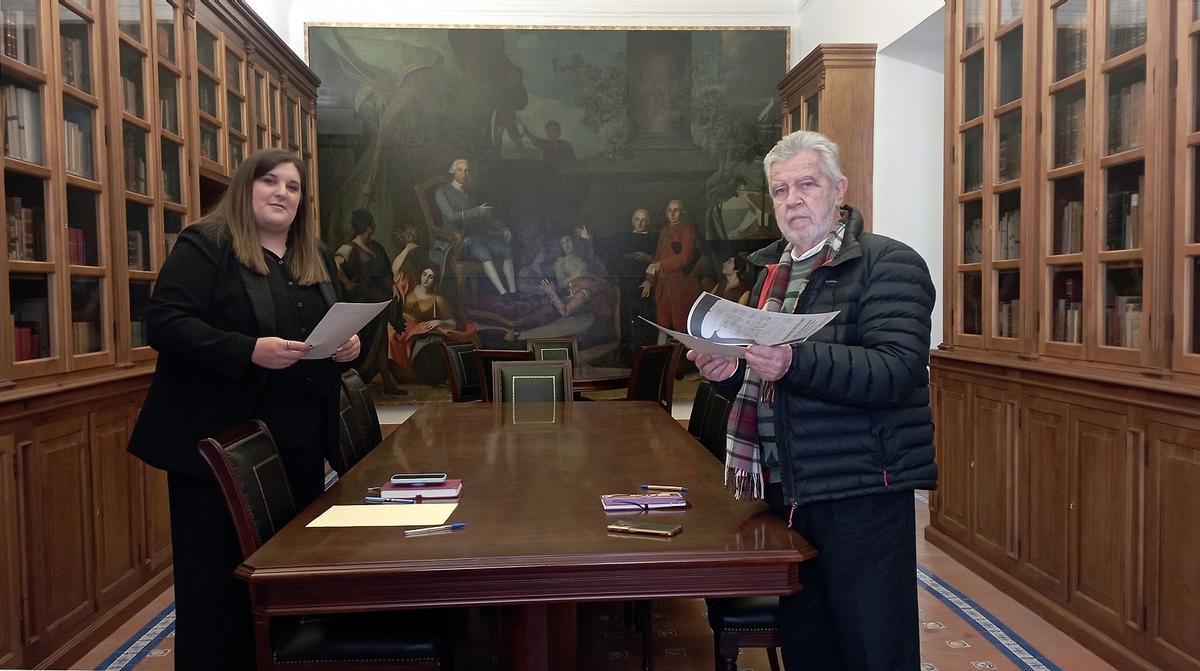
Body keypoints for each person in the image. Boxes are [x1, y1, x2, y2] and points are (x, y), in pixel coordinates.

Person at [688, 130, 936, 670]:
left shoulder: (889, 264)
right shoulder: (771, 273)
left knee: (874, 647)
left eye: (807, 184)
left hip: (861, 491)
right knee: (809, 646)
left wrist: (796, 362)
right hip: (789, 490)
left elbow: (897, 370)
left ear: (838, 189)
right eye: (780, 190)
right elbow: (769, 387)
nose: (793, 199)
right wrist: (728, 371)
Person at [126, 149, 361, 671]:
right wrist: (247, 349)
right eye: (270, 181)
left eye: (293, 187)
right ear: (245, 188)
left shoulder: (310, 252)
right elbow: (163, 322)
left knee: (281, 579)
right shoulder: (206, 243)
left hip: (296, 444)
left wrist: (348, 345)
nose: (282, 193)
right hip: (220, 450)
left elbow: (324, 325)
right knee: (216, 585)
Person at [434, 158, 518, 297]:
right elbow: (451, 217)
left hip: (478, 234)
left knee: (507, 250)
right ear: (453, 171)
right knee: (484, 253)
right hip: (461, 239)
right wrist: (476, 211)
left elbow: (486, 215)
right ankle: (504, 294)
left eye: (466, 171)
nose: (463, 174)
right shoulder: (442, 192)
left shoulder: (469, 193)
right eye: (460, 170)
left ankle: (514, 291)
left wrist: (503, 227)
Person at [340, 208, 403, 393]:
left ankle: (387, 382)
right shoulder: (349, 248)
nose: (374, 226)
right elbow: (336, 265)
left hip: (379, 303)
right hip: (362, 304)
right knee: (368, 342)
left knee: (381, 339)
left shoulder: (376, 247)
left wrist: (393, 286)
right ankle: (354, 384)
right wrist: (348, 283)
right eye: (372, 223)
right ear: (368, 226)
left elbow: (386, 272)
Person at [392, 263, 477, 383]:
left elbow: (452, 323)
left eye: (430, 277)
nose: (426, 279)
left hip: (421, 336)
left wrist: (438, 321)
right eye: (424, 274)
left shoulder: (438, 299)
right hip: (405, 330)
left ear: (435, 280)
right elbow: (395, 270)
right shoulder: (408, 289)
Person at [641, 199, 701, 337]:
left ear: (682, 212)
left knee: (680, 324)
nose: (673, 214)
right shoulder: (664, 230)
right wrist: (649, 280)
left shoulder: (686, 229)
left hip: (681, 285)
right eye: (670, 210)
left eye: (676, 210)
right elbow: (657, 257)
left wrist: (662, 264)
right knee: (663, 324)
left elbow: (685, 256)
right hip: (663, 285)